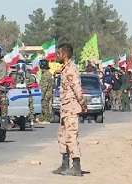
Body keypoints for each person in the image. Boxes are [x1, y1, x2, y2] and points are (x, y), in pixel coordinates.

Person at [52, 43, 87, 176]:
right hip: (65, 109)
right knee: (62, 136)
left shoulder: (71, 69)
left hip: (71, 108)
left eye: (59, 54)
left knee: (71, 136)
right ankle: (64, 164)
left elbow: (77, 89)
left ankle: (76, 165)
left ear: (65, 55)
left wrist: (83, 104)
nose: (57, 56)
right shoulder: (64, 69)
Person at [9, 59, 37, 130]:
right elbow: (10, 83)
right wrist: (12, 85)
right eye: (19, 66)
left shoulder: (28, 75)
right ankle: (11, 120)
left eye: (22, 66)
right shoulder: (13, 75)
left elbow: (33, 82)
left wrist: (30, 85)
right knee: (9, 103)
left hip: (26, 93)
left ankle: (31, 121)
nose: (21, 68)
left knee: (30, 103)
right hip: (16, 94)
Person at [38, 59, 54, 124]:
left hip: (47, 92)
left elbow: (44, 86)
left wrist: (41, 95)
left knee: (45, 105)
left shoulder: (46, 74)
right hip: (47, 92)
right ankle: (42, 118)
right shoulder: (45, 73)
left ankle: (47, 119)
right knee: (44, 105)